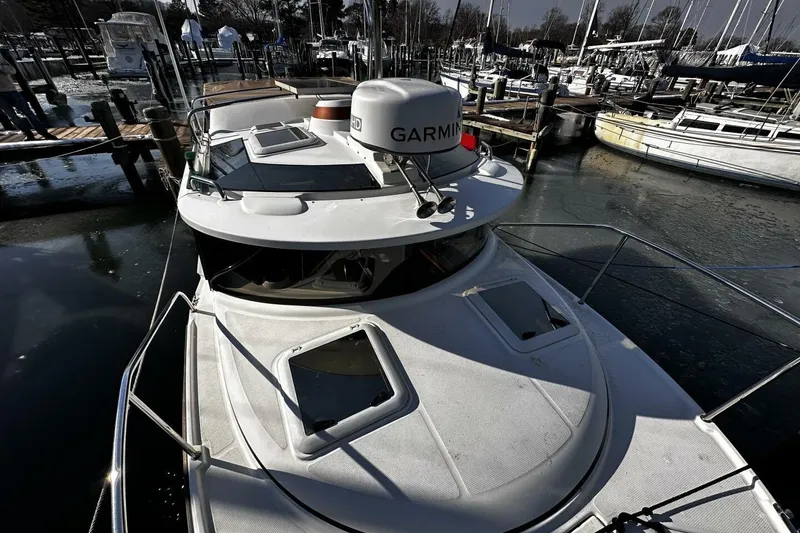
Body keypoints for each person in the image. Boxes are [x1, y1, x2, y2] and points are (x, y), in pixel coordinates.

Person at [0, 53, 57, 141]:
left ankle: (44, 133)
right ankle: (28, 134)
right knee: (12, 117)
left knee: (28, 113)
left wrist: (1, 67)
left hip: (11, 91)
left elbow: (13, 70)